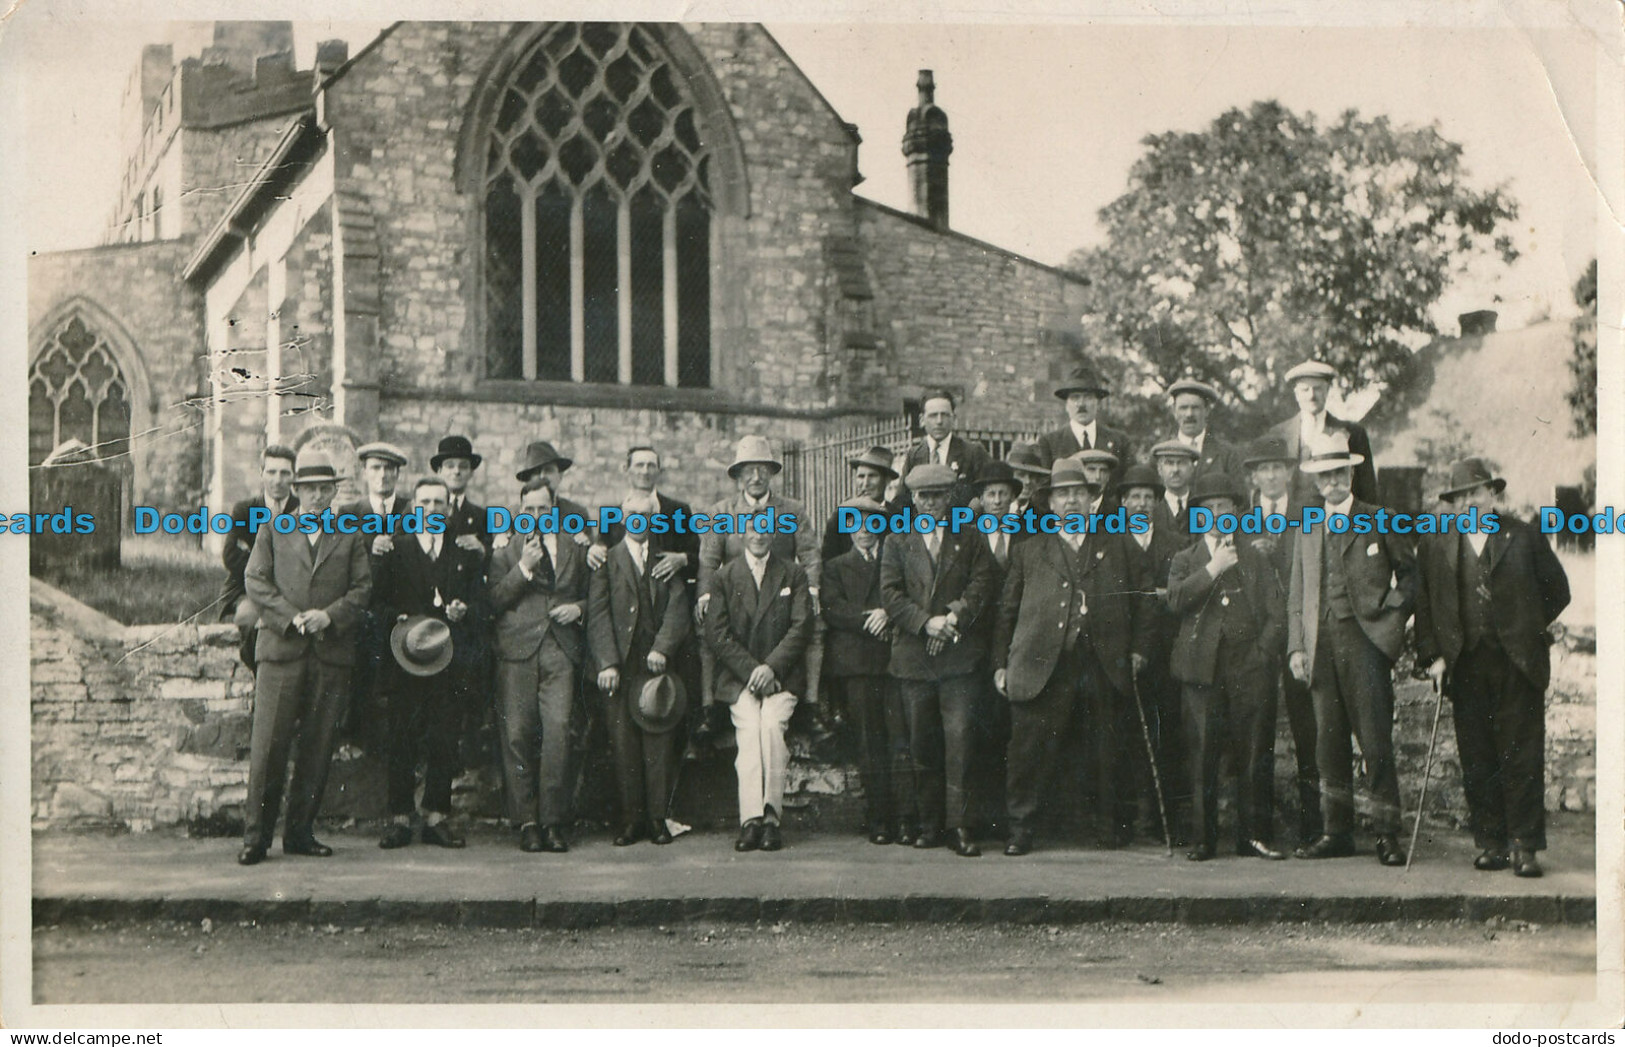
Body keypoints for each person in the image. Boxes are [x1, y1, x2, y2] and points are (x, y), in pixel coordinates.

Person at [1414, 458, 1570, 878]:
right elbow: (1425, 603)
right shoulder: (1436, 542)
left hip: (1517, 663)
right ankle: (1491, 843)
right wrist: (1435, 656)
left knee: (1521, 755)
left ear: (1492, 494)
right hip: (1465, 663)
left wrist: (1524, 628)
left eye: (1475, 493)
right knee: (1478, 756)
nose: (1468, 502)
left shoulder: (1523, 535)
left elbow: (1558, 590)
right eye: (1460, 496)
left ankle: (1525, 847)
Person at [993, 458, 1149, 855]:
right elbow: (1006, 611)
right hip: (1040, 663)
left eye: (1078, 493)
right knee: (1029, 748)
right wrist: (1000, 664)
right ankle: (1021, 828)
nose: (1071, 501)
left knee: (1105, 748)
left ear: (1090, 499)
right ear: (1049, 503)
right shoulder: (1029, 549)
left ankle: (1106, 826)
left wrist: (1138, 650)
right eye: (1063, 495)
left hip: (1101, 661)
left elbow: (1145, 599)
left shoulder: (1115, 544)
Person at [1287, 434, 1416, 866]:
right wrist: (1297, 648)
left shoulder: (1379, 518)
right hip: (1320, 644)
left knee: (1375, 741)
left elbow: (1411, 578)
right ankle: (1336, 831)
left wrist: (1389, 620)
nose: (1334, 482)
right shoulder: (1307, 525)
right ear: (1318, 482)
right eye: (1326, 475)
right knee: (1328, 744)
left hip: (1365, 644)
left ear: (1351, 474)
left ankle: (1386, 834)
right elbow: (1297, 591)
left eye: (1340, 473)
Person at [237, 449, 370, 865]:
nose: (316, 496)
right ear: (297, 491)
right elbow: (255, 582)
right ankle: (255, 839)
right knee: (268, 748)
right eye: (308, 489)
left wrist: (328, 617)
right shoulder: (273, 531)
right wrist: (292, 619)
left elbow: (363, 590)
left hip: (329, 655)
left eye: (323, 489)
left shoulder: (348, 535)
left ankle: (300, 833)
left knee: (318, 746)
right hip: (281, 652)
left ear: (333, 492)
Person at [1166, 473, 1286, 862]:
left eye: (1224, 507)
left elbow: (1275, 614)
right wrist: (1213, 568)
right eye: (1209, 508)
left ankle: (1254, 836)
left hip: (1249, 670)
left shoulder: (1255, 556)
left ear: (1237, 512)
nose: (1217, 515)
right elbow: (1175, 600)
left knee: (1254, 752)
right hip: (1201, 672)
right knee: (1202, 754)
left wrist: (1263, 657)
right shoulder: (1186, 558)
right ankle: (1204, 839)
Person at [880, 463, 998, 857]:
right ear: (912, 498)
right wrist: (924, 623)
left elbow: (981, 585)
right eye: (923, 496)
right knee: (922, 743)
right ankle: (928, 824)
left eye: (938, 495)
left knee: (960, 741)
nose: (930, 503)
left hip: (958, 657)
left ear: (950, 498)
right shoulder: (897, 539)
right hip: (914, 657)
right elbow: (891, 594)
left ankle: (959, 826)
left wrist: (951, 618)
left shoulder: (971, 536)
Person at [372, 477, 486, 851]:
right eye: (425, 502)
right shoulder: (396, 551)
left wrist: (463, 610)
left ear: (449, 510)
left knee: (444, 736)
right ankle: (400, 818)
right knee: (401, 736)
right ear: (414, 508)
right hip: (404, 659)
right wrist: (400, 618)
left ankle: (437, 816)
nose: (432, 509)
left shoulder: (463, 554)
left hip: (448, 661)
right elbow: (376, 605)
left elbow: (481, 604)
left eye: (440, 503)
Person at [696, 435, 820, 750]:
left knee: (813, 626)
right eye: (748, 471)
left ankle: (811, 706)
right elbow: (709, 561)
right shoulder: (721, 512)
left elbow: (809, 554)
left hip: (781, 597)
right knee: (707, 628)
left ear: (771, 474)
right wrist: (706, 596)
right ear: (738, 476)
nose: (756, 477)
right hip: (735, 601)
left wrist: (813, 588)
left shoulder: (792, 510)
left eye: (762, 470)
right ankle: (712, 708)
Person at [488, 477, 590, 854]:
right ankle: (527, 821)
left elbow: (593, 594)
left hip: (560, 649)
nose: (535, 516)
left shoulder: (574, 548)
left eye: (543, 509)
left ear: (554, 507)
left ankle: (552, 821)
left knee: (559, 731)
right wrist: (524, 569)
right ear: (519, 510)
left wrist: (578, 608)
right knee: (515, 734)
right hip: (516, 650)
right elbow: (494, 600)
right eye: (528, 509)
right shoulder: (504, 550)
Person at [588, 491, 694, 847]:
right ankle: (632, 820)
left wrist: (663, 648)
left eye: (646, 515)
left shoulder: (664, 561)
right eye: (632, 514)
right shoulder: (607, 560)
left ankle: (657, 818)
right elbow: (598, 614)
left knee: (658, 741)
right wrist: (607, 663)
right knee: (623, 744)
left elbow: (679, 607)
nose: (639, 520)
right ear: (622, 517)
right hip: (621, 664)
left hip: (655, 664)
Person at [704, 514, 815, 852]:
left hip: (781, 678)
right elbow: (717, 634)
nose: (760, 535)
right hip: (740, 679)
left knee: (771, 727)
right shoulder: (724, 576)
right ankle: (750, 820)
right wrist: (754, 670)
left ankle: (771, 818)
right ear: (742, 533)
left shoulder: (793, 573)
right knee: (750, 727)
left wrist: (771, 668)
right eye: (754, 529)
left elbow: (802, 627)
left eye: (767, 529)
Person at [820, 496, 914, 845]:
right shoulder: (836, 566)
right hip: (857, 665)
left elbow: (904, 594)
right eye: (855, 523)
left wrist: (889, 613)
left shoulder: (895, 560)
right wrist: (871, 618)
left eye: (871, 523)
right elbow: (834, 609)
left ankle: (906, 817)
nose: (863, 530)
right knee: (869, 742)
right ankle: (879, 820)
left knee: (899, 739)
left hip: (894, 661)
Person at [1244, 433, 1322, 848]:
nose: (1271, 475)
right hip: (1258, 638)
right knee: (1258, 732)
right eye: (1263, 469)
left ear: (1290, 473)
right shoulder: (1241, 516)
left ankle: (1314, 828)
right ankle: (1259, 831)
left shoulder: (1308, 513)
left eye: (1278, 467)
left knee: (1308, 730)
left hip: (1298, 635)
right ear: (1254, 477)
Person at [1116, 463, 1188, 844]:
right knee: (1125, 736)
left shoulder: (1175, 543)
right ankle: (1129, 819)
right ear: (1123, 502)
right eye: (1135, 497)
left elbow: (1182, 592)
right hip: (1124, 653)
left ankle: (1165, 822)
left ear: (1158, 503)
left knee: (1167, 735)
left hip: (1167, 653)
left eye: (1148, 497)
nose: (1141, 504)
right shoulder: (1111, 543)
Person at [337, 441, 411, 752]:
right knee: (360, 676)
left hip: (400, 608)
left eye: (389, 469)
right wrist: (370, 547)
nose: (382, 476)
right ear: (365, 473)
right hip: (362, 610)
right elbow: (341, 562)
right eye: (376, 468)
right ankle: (354, 737)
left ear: (396, 474)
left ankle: (399, 746)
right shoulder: (349, 513)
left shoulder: (410, 509)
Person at [220, 445, 299, 668]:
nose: (278, 480)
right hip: (248, 589)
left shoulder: (301, 509)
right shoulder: (245, 510)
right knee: (248, 620)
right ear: (261, 473)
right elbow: (231, 556)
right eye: (271, 472)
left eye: (285, 473)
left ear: (294, 476)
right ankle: (260, 680)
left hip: (294, 589)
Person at [1269, 360, 1379, 505]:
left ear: (1327, 391)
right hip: (1290, 523)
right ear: (1296, 394)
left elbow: (1367, 492)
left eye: (1318, 389)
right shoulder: (1278, 435)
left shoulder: (1353, 433)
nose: (1311, 395)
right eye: (1305, 390)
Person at [898, 390, 993, 508]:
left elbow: (990, 492)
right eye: (933, 415)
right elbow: (902, 499)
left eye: (945, 415)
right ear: (922, 420)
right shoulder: (914, 455)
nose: (939, 421)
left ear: (954, 418)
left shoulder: (972, 452)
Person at [1035, 366, 1134, 475]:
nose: (1081, 404)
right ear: (1066, 405)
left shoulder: (1120, 441)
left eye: (1088, 397)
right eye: (1075, 397)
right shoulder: (1049, 443)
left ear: (1099, 404)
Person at [821, 445, 901, 562]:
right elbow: (828, 562)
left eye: (872, 476)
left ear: (887, 480)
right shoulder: (841, 516)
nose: (865, 483)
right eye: (861, 476)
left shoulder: (898, 517)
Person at [1162, 378, 1246, 481]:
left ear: (1206, 411)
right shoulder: (1162, 453)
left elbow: (1240, 495)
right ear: (1174, 411)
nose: (1189, 414)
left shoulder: (1227, 455)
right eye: (1183, 408)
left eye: (1195, 408)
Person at [1150, 440, 1201, 539]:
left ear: (1192, 469)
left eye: (1181, 463)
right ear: (1159, 470)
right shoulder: (1152, 507)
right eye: (1169, 463)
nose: (1175, 470)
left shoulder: (1202, 505)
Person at [1006, 443, 1051, 516]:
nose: (1027, 481)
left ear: (1038, 481)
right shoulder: (992, 513)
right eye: (1021, 475)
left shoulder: (1043, 518)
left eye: (1032, 476)